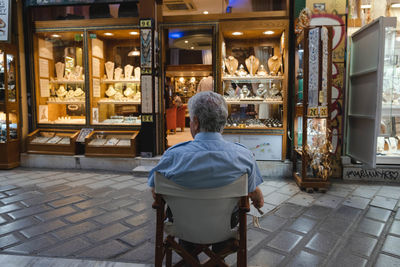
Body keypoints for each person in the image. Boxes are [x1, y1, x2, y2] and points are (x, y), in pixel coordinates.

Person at [148, 92, 264, 256]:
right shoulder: (244, 156)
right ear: (223, 122)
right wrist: (257, 197)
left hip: (184, 227)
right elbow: (256, 197)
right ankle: (218, 256)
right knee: (234, 209)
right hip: (224, 229)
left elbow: (155, 192)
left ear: (195, 122)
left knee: (180, 213)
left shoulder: (172, 156)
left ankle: (188, 255)